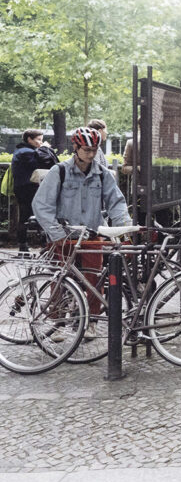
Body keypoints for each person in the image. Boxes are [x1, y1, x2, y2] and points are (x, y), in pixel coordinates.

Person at [33, 127, 133, 332]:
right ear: (75, 147)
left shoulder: (103, 174)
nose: (91, 154)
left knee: (94, 280)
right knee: (59, 279)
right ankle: (57, 322)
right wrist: (56, 233)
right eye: (87, 149)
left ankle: (92, 321)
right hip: (64, 236)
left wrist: (124, 229)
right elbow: (42, 205)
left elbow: (117, 203)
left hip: (91, 236)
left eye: (94, 150)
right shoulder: (59, 171)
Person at [10, 129, 58, 252]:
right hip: (29, 189)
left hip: (22, 188)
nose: (40, 142)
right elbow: (44, 162)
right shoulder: (27, 152)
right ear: (29, 139)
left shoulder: (21, 151)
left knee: (24, 216)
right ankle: (37, 245)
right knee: (37, 215)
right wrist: (45, 148)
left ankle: (24, 246)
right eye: (38, 140)